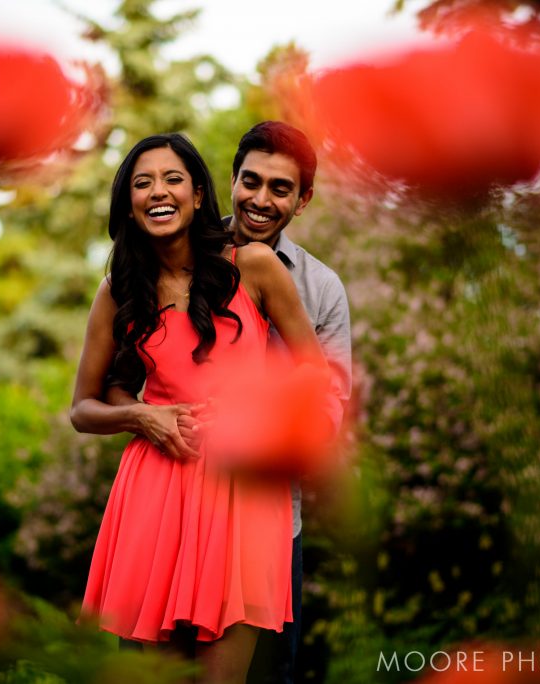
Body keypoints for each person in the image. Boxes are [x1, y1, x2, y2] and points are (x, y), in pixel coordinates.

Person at [70, 133, 325, 684]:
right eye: (142, 183)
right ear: (128, 202)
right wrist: (141, 415)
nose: (158, 192)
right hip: (155, 491)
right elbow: (83, 407)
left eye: (172, 179)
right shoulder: (119, 290)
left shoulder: (253, 265)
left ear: (200, 193)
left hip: (242, 493)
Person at [226, 121, 352, 684]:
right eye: (250, 180)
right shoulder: (180, 258)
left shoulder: (321, 288)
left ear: (302, 201)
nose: (260, 199)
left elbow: (331, 407)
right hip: (183, 508)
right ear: (231, 179)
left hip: (275, 525)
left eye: (280, 188)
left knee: (266, 676)